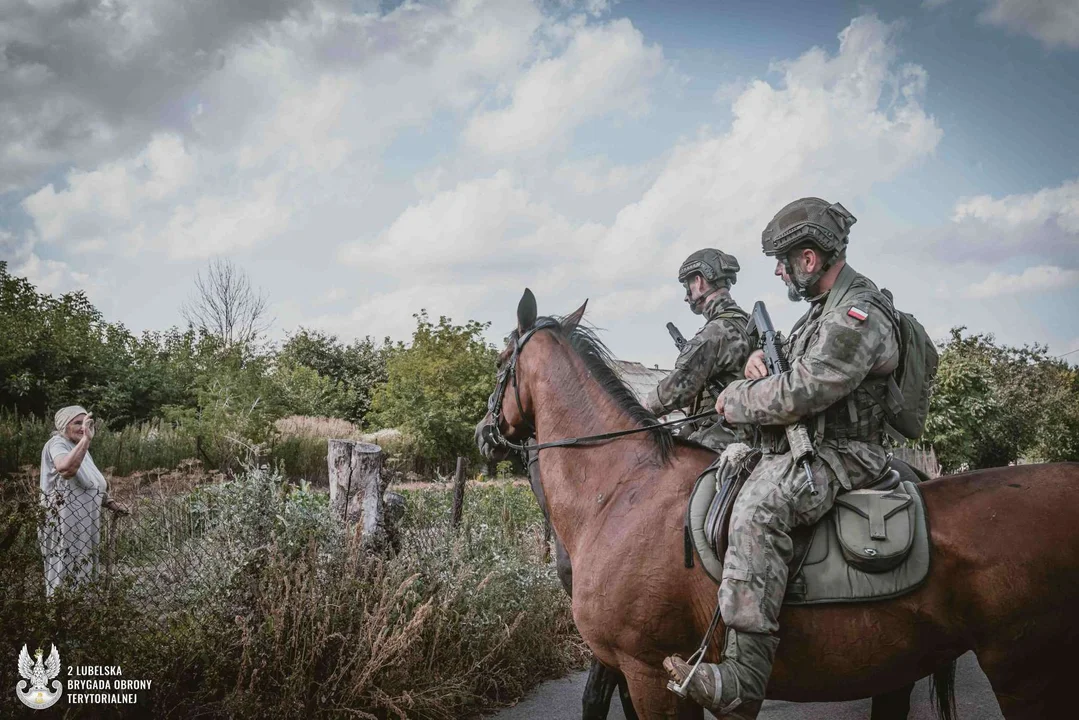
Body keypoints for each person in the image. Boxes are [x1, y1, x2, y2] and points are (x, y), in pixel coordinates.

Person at [663, 198, 901, 717]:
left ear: (809, 259)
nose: (776, 270)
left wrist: (736, 400)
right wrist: (757, 363)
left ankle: (743, 677)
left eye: (782, 260)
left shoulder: (857, 311)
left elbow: (808, 388)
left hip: (843, 452)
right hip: (806, 442)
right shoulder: (823, 311)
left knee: (757, 511)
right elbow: (795, 366)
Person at [644, 249, 752, 451]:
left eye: (688, 286)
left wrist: (640, 409)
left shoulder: (714, 332)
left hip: (726, 437)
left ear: (700, 281)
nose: (686, 297)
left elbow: (677, 389)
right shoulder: (745, 323)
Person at [39, 406, 128, 596]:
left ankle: (81, 614)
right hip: (64, 520)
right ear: (64, 425)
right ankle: (59, 613)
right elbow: (66, 470)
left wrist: (111, 503)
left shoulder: (82, 449)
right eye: (77, 423)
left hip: (86, 522)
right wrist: (86, 440)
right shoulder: (57, 444)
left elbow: (93, 481)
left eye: (87, 423)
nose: (83, 428)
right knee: (64, 565)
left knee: (85, 565)